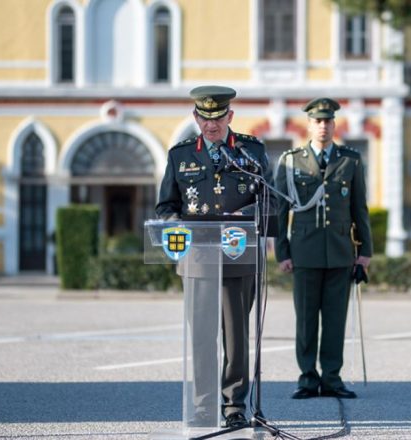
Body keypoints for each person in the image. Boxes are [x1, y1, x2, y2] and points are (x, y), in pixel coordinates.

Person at [156, 85, 272, 428]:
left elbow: (270, 202)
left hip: (239, 254)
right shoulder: (180, 156)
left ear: (229, 116)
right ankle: (204, 406)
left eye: (218, 118)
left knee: (236, 337)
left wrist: (247, 215)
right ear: (195, 118)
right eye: (204, 119)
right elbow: (165, 207)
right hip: (197, 258)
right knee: (202, 336)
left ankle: (234, 406)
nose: (211, 125)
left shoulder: (251, 152)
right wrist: (180, 226)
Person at [275, 97, 372, 400]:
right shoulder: (291, 161)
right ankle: (307, 378)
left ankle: (331, 378)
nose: (323, 126)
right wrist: (283, 252)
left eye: (328, 121)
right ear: (309, 125)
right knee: (305, 320)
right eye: (317, 121)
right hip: (304, 252)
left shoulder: (350, 159)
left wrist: (365, 251)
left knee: (334, 320)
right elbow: (280, 211)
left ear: (334, 124)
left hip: (341, 252)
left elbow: (360, 208)